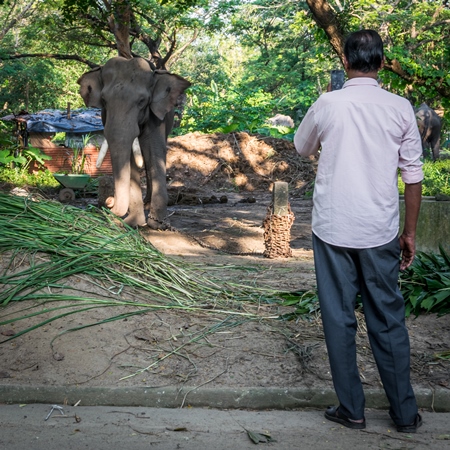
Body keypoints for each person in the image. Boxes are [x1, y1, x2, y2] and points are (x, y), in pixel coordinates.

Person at [294, 29, 423, 433]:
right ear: (382, 63)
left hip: (333, 227)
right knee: (388, 318)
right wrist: (409, 234)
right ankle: (404, 414)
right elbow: (413, 176)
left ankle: (352, 409)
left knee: (338, 317)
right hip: (380, 230)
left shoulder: (328, 103)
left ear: (345, 62)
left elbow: (301, 147)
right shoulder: (401, 107)